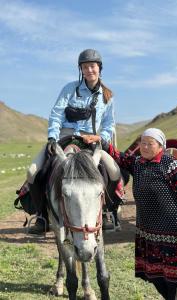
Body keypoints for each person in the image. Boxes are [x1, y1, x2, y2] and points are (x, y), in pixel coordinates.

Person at [99, 128, 177, 300]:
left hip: (173, 232)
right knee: (156, 276)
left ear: (160, 146)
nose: (144, 147)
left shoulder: (172, 165)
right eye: (142, 143)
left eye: (150, 144)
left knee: (174, 279)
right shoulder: (137, 163)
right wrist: (101, 142)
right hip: (148, 231)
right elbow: (120, 157)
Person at [27, 48, 117, 234]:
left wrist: (101, 137)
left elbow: (108, 124)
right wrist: (52, 138)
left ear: (99, 68)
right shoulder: (69, 89)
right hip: (64, 138)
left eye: (92, 66)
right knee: (33, 172)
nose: (89, 70)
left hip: (91, 140)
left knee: (114, 172)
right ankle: (42, 216)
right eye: (85, 67)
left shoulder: (107, 96)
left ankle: (107, 211)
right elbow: (56, 114)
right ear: (81, 70)